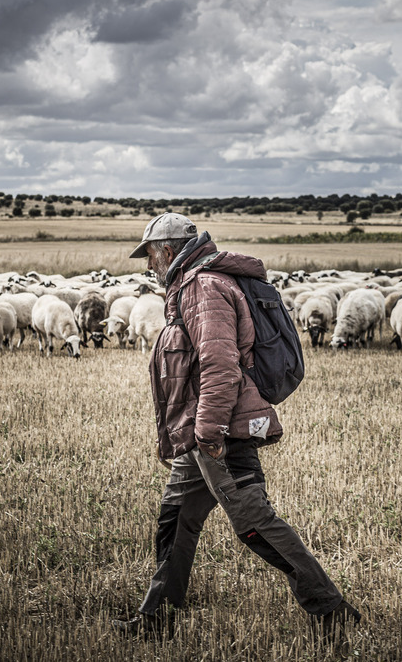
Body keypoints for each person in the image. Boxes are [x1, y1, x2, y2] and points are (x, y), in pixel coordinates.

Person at [112, 212, 360, 639]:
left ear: (167, 251)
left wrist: (208, 432)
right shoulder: (188, 287)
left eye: (150, 255)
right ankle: (157, 619)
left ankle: (332, 611)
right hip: (198, 433)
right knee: (175, 520)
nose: (148, 264)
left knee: (255, 523)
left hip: (219, 433)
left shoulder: (203, 288)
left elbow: (220, 366)